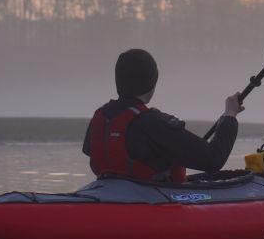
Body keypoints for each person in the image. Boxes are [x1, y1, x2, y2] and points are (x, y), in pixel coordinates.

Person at [82, 48, 244, 183]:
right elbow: (213, 159)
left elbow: (91, 151)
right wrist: (229, 116)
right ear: (152, 82)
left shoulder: (101, 117)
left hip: (107, 196)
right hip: (150, 203)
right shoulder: (154, 124)